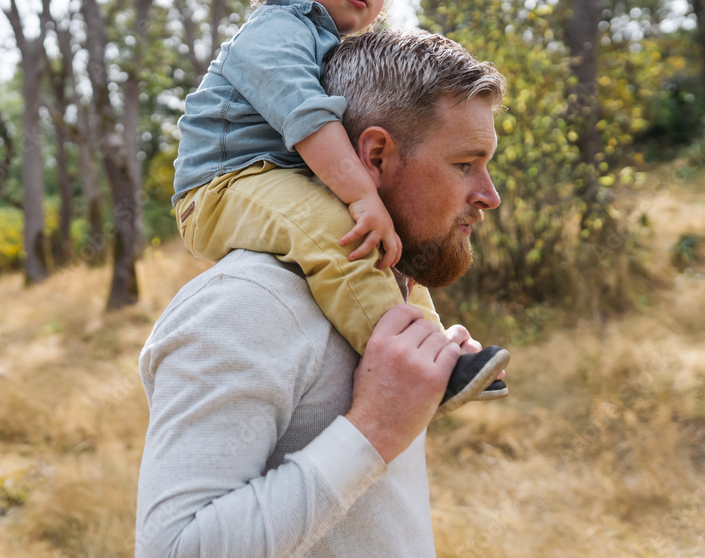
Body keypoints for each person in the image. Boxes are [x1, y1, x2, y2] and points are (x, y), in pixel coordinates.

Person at [137, 28, 508, 555]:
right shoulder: (243, 306)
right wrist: (376, 427)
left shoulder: (388, 289)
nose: (490, 196)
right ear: (375, 157)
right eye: (464, 164)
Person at [171, 0, 508, 401]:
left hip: (275, 177)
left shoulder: (328, 44)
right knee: (341, 231)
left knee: (386, 240)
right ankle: (410, 364)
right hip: (222, 184)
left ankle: (437, 348)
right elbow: (307, 120)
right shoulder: (275, 30)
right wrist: (363, 196)